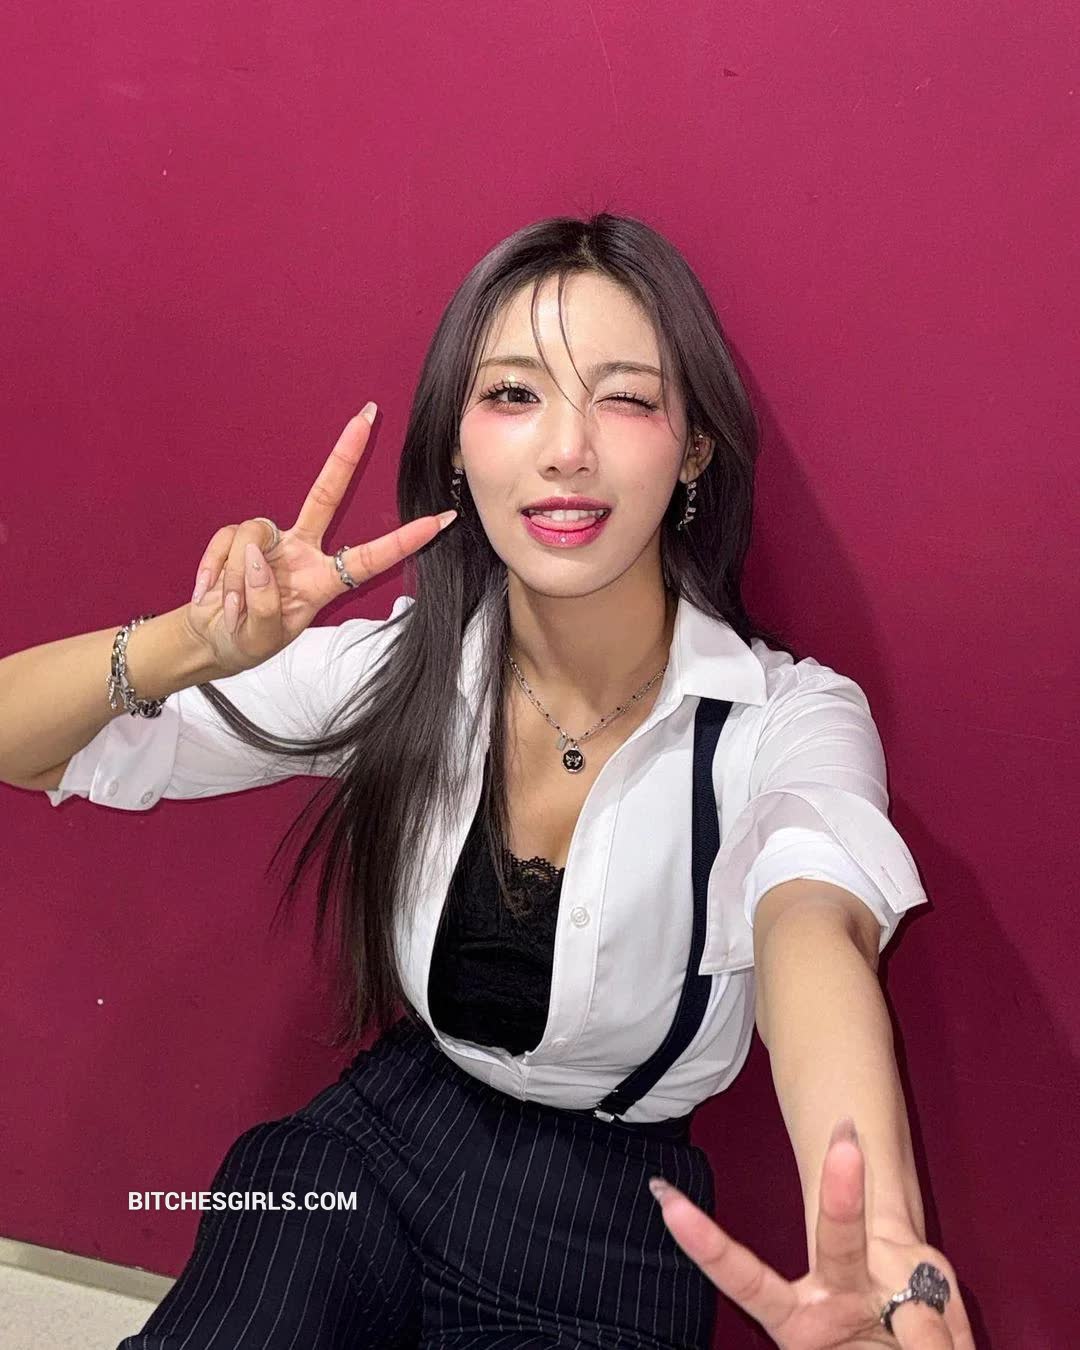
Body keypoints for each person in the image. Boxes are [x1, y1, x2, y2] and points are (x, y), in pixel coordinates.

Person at [1, 212, 971, 1348]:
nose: (566, 450)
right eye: (513, 394)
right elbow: (27, 743)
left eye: (625, 398)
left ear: (697, 449)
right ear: (457, 445)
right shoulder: (403, 670)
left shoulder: (785, 720)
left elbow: (815, 933)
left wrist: (883, 1247)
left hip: (614, 1234)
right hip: (351, 1167)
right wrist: (190, 646)